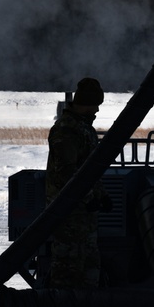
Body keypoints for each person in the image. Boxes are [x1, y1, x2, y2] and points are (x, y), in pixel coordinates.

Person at [45, 77, 111, 289]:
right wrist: (89, 197)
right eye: (95, 106)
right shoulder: (66, 130)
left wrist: (101, 195)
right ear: (87, 103)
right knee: (67, 267)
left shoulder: (83, 129)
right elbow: (67, 173)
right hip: (67, 212)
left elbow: (91, 168)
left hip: (83, 215)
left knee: (88, 265)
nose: (97, 111)